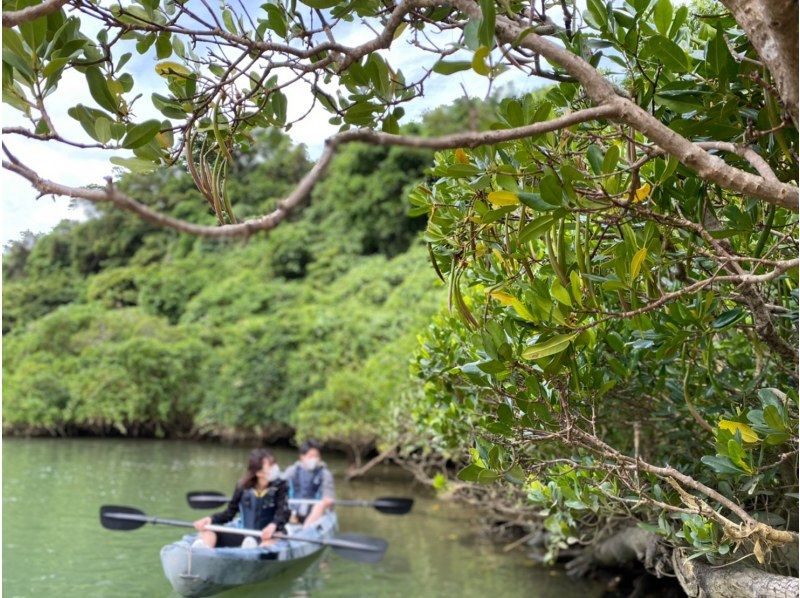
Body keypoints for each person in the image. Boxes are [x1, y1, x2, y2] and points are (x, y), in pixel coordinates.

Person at [192, 448, 289, 548]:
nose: (275, 468)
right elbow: (229, 513)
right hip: (246, 534)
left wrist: (273, 525)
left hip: (271, 534)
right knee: (209, 531)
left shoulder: (281, 486)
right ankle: (203, 550)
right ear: (259, 473)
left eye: (274, 464)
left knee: (268, 542)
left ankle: (255, 552)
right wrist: (210, 519)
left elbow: (283, 513)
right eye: (271, 466)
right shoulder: (242, 487)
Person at [283, 440, 335, 527]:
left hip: (314, 511)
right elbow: (279, 486)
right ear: (302, 457)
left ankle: (306, 529)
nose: (314, 459)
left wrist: (326, 502)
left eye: (316, 456)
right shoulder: (292, 471)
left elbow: (328, 498)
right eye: (310, 456)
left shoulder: (325, 474)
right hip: (294, 509)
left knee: (321, 505)